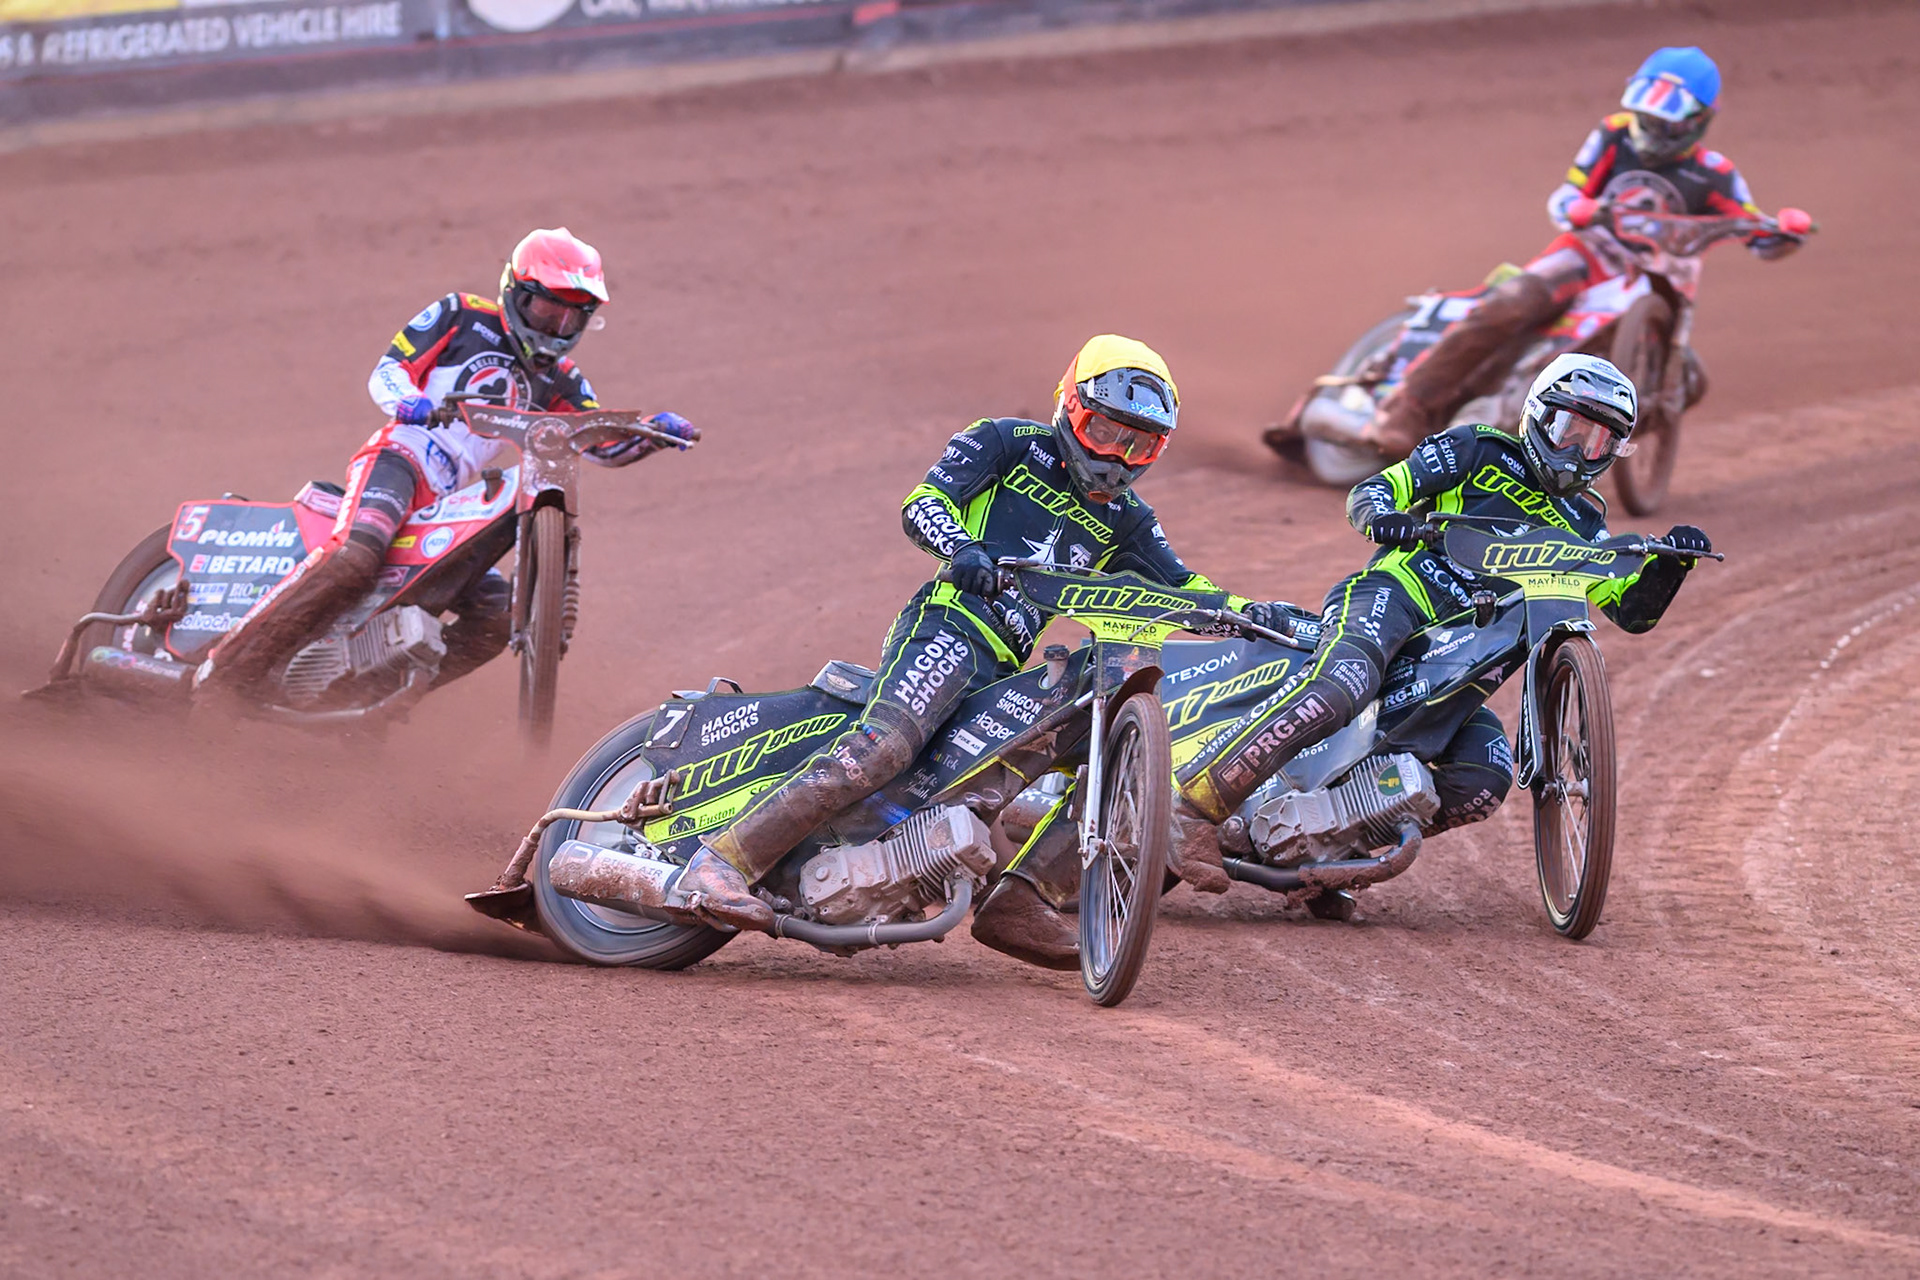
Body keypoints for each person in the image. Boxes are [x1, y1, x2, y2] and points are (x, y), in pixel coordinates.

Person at [670, 335, 1264, 962]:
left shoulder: (1129, 521)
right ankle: (721, 863)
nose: (1117, 456)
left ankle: (1022, 898)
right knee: (885, 749)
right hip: (948, 627)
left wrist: (1255, 614)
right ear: (1070, 403)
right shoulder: (1007, 442)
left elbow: (1188, 586)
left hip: (1005, 666)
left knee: (1088, 740)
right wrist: (961, 549)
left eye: (1138, 443)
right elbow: (923, 502)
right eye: (1106, 431)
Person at [1168, 354, 1714, 888]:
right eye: (1569, 428)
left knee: (1487, 774)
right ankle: (1192, 808)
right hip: (1396, 596)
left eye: (1595, 440)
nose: (1577, 450)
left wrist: (1673, 565)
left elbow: (1630, 610)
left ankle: (1328, 849)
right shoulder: (1478, 449)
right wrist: (1384, 519)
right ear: (1537, 415)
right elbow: (1376, 489)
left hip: (1458, 670)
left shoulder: (1586, 519)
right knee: (1344, 684)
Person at [193, 227, 695, 701]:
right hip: (400, 459)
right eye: (546, 311)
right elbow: (388, 370)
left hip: (451, 502)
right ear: (516, 293)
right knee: (357, 556)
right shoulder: (461, 315)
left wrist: (652, 432)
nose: (556, 328)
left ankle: (360, 701)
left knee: (498, 618)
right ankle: (226, 671)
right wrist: (407, 400)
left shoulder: (562, 380)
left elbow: (597, 443)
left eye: (570, 318)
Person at [1368, 46, 1806, 454]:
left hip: (1659, 279)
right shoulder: (1614, 135)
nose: (1653, 129)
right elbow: (1564, 197)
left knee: (1677, 379)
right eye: (1647, 116)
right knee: (1515, 300)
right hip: (1589, 254)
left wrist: (1783, 233)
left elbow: (1755, 233)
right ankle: (1409, 405)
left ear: (1698, 121)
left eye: (1667, 122)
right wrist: (1579, 207)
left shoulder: (1715, 174)